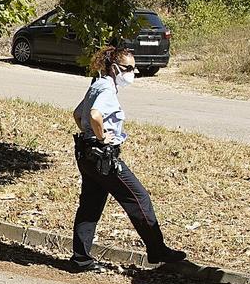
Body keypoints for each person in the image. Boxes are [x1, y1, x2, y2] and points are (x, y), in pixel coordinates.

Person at [68, 44, 184, 272]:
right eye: (128, 68)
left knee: (90, 206)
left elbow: (77, 114)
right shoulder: (107, 90)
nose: (134, 72)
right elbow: (93, 115)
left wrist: (90, 136)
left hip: (86, 154)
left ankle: (80, 259)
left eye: (134, 67)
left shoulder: (97, 84)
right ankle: (157, 250)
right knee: (139, 198)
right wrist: (101, 138)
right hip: (103, 158)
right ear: (114, 68)